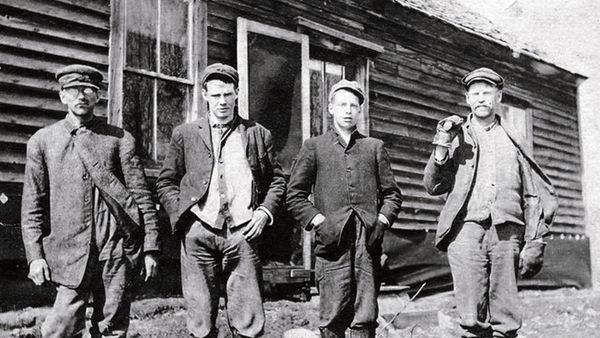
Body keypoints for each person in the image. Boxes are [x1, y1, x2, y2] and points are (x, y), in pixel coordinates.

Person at [21, 64, 160, 338]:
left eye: (89, 90)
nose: (81, 96)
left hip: (115, 249)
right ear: (62, 96)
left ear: (98, 97)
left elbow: (142, 196)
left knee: (112, 329)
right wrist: (35, 257)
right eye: (73, 90)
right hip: (69, 251)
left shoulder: (119, 139)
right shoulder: (43, 141)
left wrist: (151, 248)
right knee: (59, 329)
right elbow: (32, 207)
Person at [423, 67, 559, 338]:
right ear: (467, 99)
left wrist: (535, 240)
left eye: (487, 92)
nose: (481, 98)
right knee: (471, 318)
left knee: (505, 316)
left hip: (507, 234)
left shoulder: (513, 139)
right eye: (475, 93)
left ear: (499, 96)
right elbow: (433, 186)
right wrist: (441, 148)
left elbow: (533, 194)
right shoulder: (455, 134)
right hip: (466, 233)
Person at [155, 63, 286, 338]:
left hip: (243, 234)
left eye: (227, 94)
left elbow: (277, 181)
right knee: (200, 321)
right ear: (204, 95)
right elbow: (165, 181)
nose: (222, 101)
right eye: (216, 95)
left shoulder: (257, 134)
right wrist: (185, 218)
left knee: (248, 322)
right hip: (199, 234)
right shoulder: (186, 134)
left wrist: (264, 212)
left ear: (237, 93)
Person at [286, 79, 402, 338]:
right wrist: (319, 222)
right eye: (342, 105)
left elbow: (393, 195)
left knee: (365, 316)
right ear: (330, 108)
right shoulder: (314, 147)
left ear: (360, 110)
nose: (348, 110)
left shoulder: (374, 148)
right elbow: (294, 195)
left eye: (353, 105)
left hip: (367, 243)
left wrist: (381, 222)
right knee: (333, 316)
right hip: (331, 244)